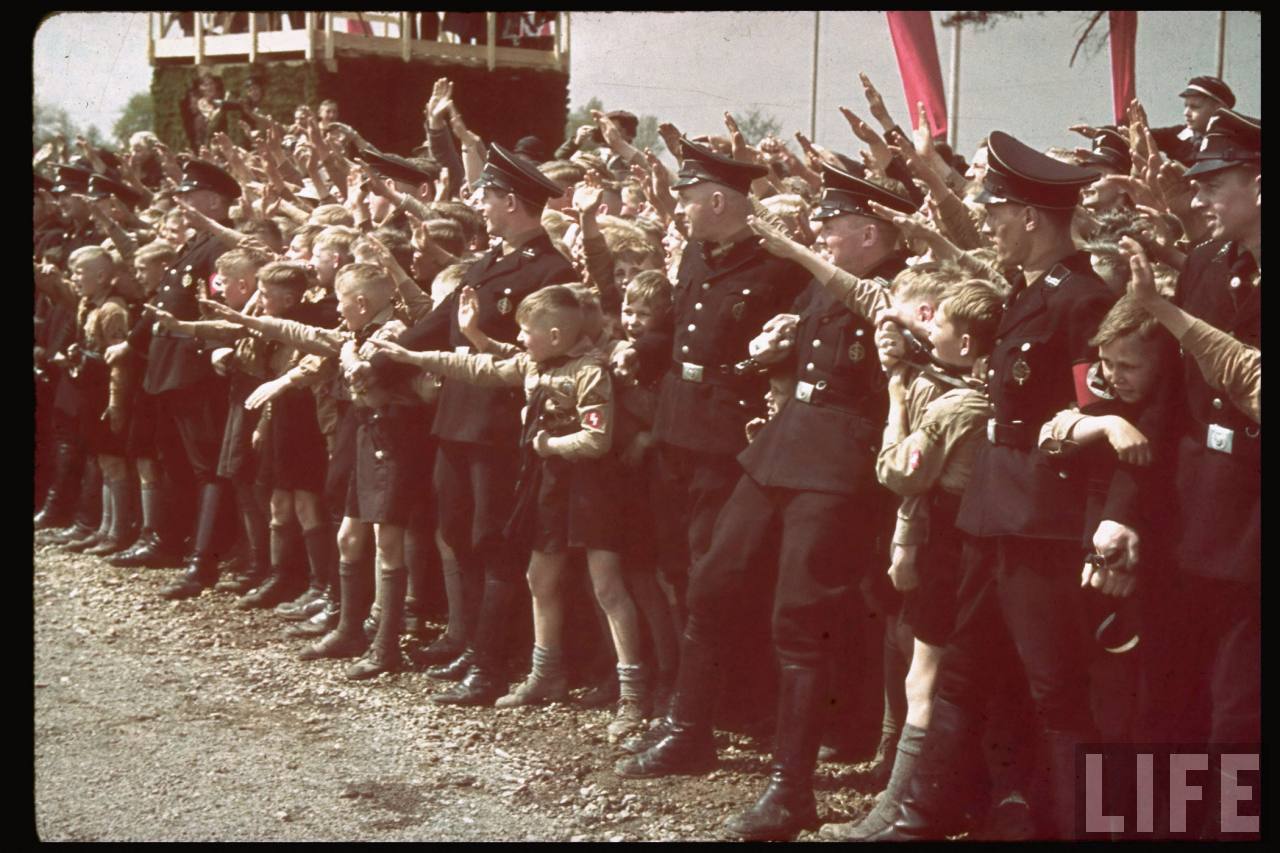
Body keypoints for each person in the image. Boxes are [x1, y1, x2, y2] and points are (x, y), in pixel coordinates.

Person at [615, 162, 905, 842]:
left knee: (800, 620)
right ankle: (689, 730)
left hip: (839, 463)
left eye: (832, 226)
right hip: (782, 446)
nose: (821, 234)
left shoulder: (899, 283)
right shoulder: (824, 283)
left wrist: (795, 275)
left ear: (870, 233)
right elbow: (802, 339)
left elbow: (880, 333)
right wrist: (776, 345)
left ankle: (791, 790)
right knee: (713, 583)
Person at [372, 285, 650, 736]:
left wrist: (549, 444)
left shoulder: (590, 371)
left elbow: (597, 440)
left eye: (525, 331)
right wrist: (414, 357)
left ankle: (634, 695)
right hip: (549, 486)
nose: (519, 339)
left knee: (607, 588)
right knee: (540, 579)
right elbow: (477, 367)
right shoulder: (537, 363)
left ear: (555, 335)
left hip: (592, 490)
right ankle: (546, 674)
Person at [371, 143, 579, 705]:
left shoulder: (552, 270)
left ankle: (490, 664)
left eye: (486, 197)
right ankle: (470, 643)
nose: (479, 206)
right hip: (458, 418)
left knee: (495, 541)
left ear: (511, 202)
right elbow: (440, 324)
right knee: (458, 531)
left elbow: (537, 354)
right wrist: (382, 356)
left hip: (499, 426)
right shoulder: (488, 263)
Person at [105, 159, 243, 595]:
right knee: (176, 464)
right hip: (168, 370)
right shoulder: (196, 244)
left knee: (207, 468)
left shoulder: (221, 247)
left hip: (196, 371)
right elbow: (164, 302)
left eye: (190, 197)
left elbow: (222, 309)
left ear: (215, 202)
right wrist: (132, 344)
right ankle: (169, 541)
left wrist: (214, 349)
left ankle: (203, 561)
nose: (181, 205)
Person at [1150, 75, 1236, 166]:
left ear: (1218, 110)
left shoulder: (1231, 145)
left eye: (1194, 107)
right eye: (1186, 106)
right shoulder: (1177, 134)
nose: (1186, 113)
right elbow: (1147, 136)